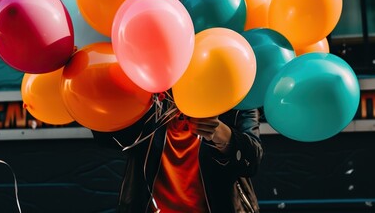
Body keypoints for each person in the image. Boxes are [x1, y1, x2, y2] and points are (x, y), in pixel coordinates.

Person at [92, 91, 263, 213]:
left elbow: (252, 161)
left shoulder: (235, 94)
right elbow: (109, 139)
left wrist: (222, 134)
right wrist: (92, 89)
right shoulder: (146, 92)